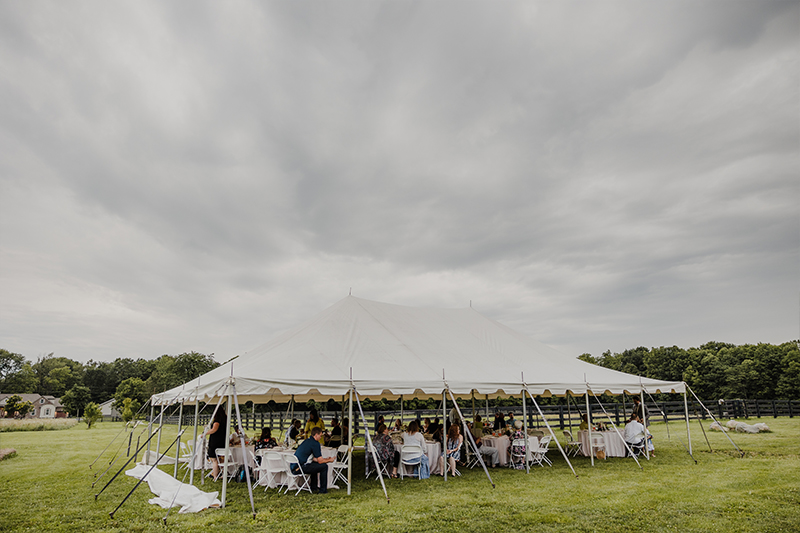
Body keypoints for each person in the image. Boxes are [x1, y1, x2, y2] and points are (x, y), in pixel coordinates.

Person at [293, 427, 334, 493]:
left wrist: (326, 459)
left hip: (295, 467)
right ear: (316, 435)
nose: (321, 437)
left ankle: (314, 487)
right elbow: (320, 461)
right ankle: (323, 490)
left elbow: (313, 458)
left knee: (314, 465)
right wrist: (330, 460)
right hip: (300, 467)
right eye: (320, 435)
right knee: (324, 466)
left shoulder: (307, 441)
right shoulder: (315, 443)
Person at [204, 406, 227, 480]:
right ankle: (223, 474)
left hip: (215, 441)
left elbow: (214, 429)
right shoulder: (225, 420)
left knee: (214, 460)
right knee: (222, 459)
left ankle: (215, 476)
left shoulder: (217, 421)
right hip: (222, 441)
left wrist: (205, 433)